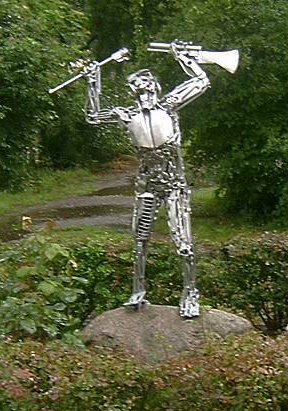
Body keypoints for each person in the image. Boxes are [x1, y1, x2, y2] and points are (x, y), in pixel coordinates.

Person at [84, 41, 210, 317]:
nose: (144, 93)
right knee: (139, 241)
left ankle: (190, 293)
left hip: (175, 185)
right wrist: (93, 80)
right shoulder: (126, 115)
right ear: (133, 93)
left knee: (184, 243)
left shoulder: (171, 105)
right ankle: (138, 290)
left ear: (156, 87)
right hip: (146, 187)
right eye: (138, 89)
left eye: (148, 87)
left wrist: (183, 58)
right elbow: (93, 115)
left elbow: (201, 80)